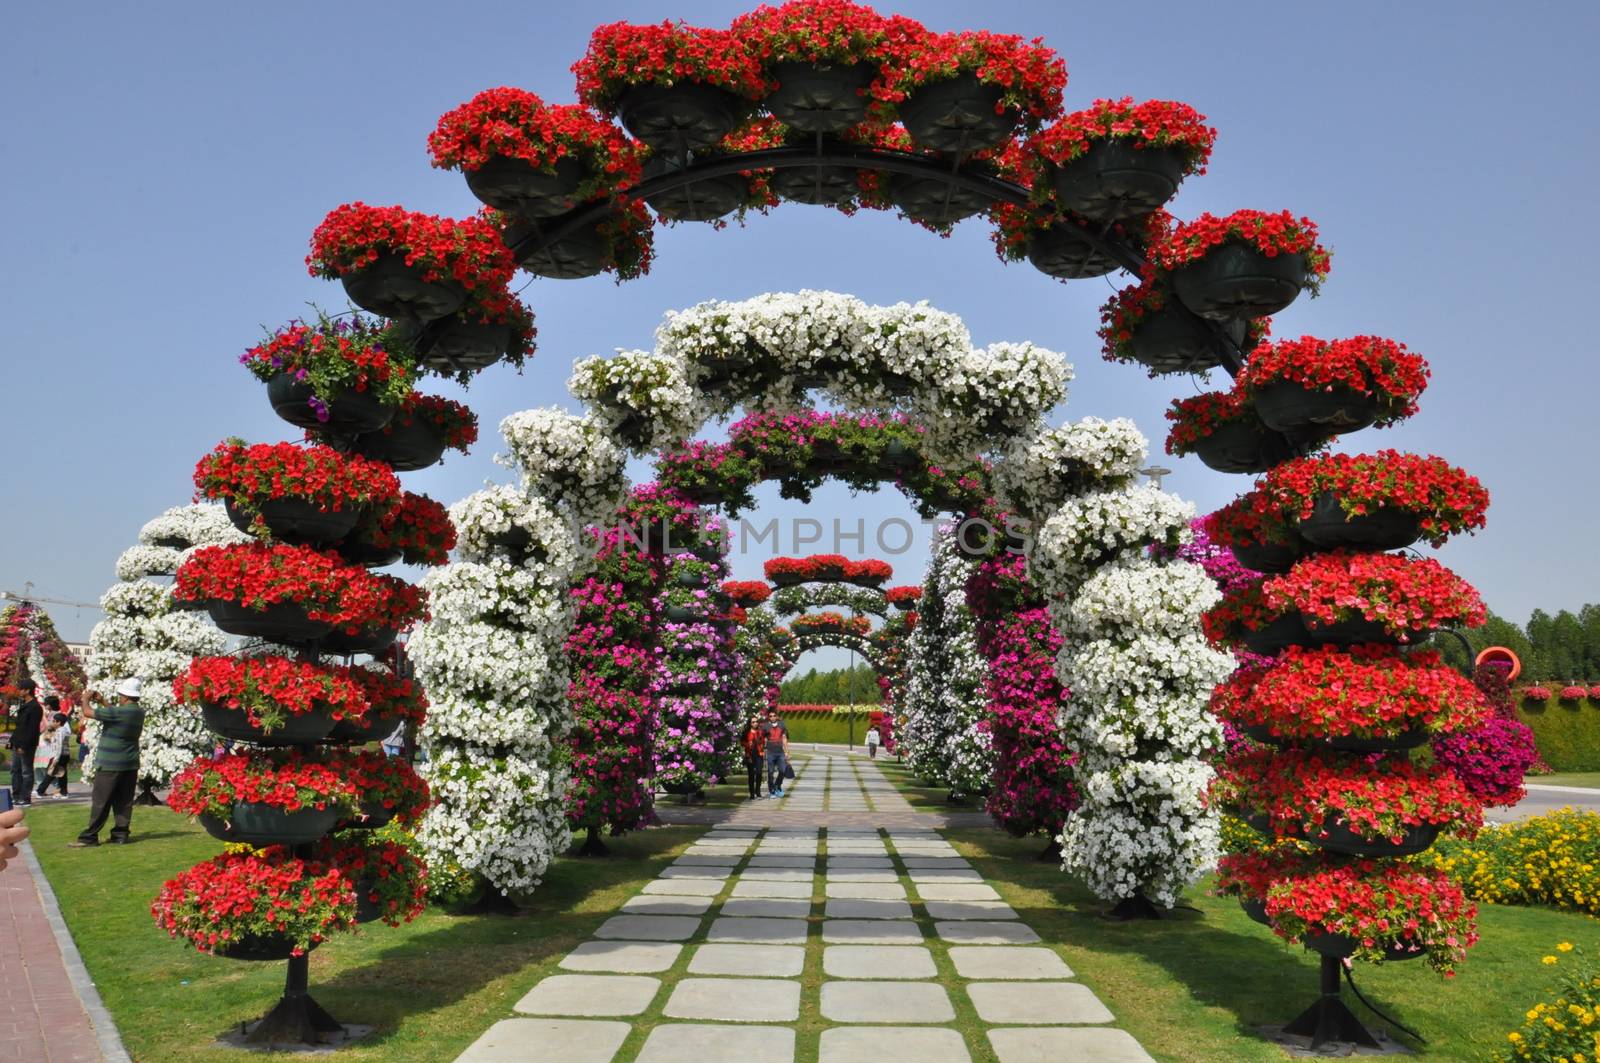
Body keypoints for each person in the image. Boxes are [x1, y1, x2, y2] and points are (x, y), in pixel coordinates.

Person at [69, 678, 146, 847]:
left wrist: (85, 699)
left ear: (125, 697)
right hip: (130, 763)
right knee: (124, 801)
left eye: (120, 696)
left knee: (101, 801)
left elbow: (88, 712)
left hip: (110, 764)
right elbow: (115, 712)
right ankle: (120, 834)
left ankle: (89, 837)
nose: (119, 698)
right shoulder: (138, 712)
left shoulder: (120, 712)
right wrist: (103, 701)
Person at [7, 680, 42, 809]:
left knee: (26, 771)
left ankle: (25, 798)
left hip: (26, 745)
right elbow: (19, 727)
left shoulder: (35, 707)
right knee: (15, 770)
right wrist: (12, 742)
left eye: (21, 689)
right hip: (17, 743)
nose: (19, 691)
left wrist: (24, 746)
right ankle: (16, 797)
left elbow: (32, 730)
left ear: (27, 690)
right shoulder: (24, 705)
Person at [33, 714, 68, 799]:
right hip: (63, 755)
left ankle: (40, 791)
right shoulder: (62, 730)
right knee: (61, 774)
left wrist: (56, 758)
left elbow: (59, 745)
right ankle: (63, 792)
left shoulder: (60, 731)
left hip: (59, 755)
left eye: (54, 721)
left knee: (51, 773)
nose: (52, 722)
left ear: (58, 722)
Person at [761, 708, 790, 799]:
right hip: (770, 752)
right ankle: (772, 791)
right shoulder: (765, 726)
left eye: (774, 716)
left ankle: (777, 785)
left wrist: (787, 752)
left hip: (780, 752)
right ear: (768, 717)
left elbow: (784, 738)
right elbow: (763, 739)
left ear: (777, 716)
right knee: (770, 772)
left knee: (782, 770)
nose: (772, 717)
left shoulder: (782, 724)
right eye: (770, 716)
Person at [739, 713, 766, 800]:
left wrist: (762, 745)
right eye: (753, 722)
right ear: (750, 723)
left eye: (756, 722)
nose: (755, 723)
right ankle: (751, 793)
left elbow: (763, 742)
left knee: (759, 773)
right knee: (751, 775)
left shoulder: (760, 731)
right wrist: (748, 744)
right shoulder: (746, 732)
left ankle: (757, 790)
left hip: (759, 754)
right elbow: (742, 742)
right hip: (749, 755)